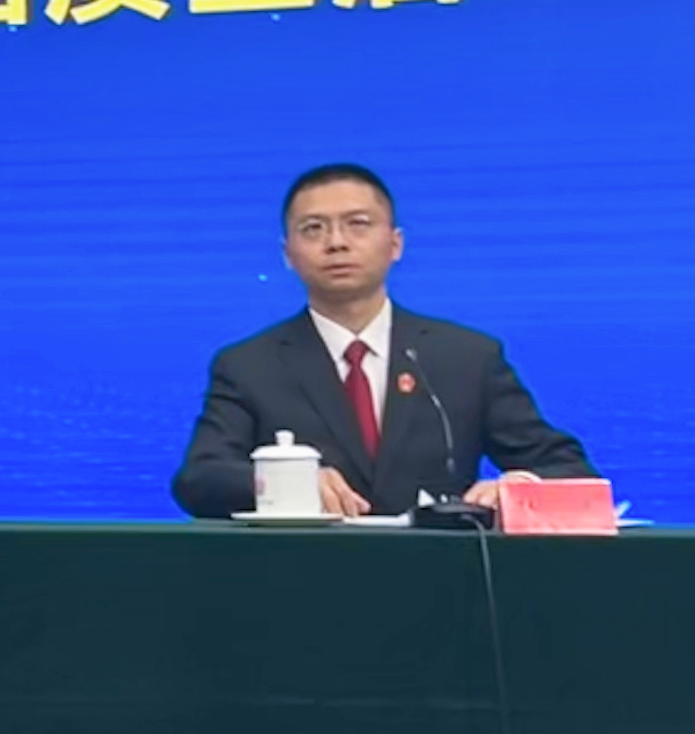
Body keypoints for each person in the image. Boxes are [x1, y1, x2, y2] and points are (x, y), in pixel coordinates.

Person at [171, 163, 594, 519]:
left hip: (443, 577)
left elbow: (569, 470)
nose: (336, 243)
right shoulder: (248, 365)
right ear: (288, 254)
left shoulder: (466, 357)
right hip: (301, 577)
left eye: (358, 224)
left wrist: (518, 489)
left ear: (395, 244)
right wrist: (287, 483)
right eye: (313, 229)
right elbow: (199, 479)